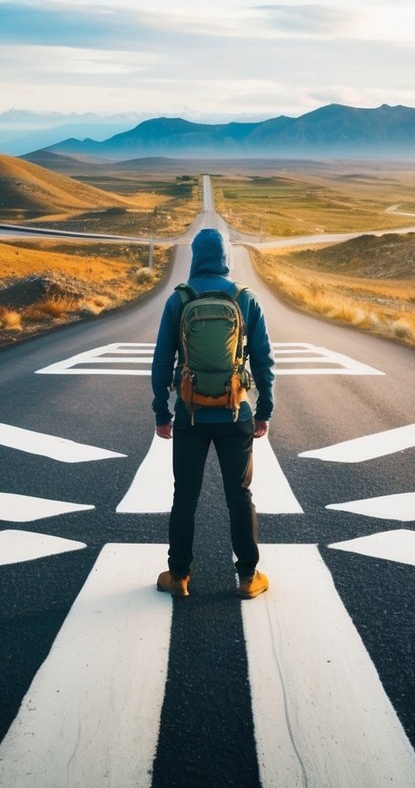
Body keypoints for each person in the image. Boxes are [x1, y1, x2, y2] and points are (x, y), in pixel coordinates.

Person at [151, 226, 275, 599]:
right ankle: (248, 577)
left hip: (190, 414)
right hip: (235, 413)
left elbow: (161, 361)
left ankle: (179, 576)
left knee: (184, 496)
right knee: (239, 494)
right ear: (225, 257)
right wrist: (264, 409)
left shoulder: (179, 299)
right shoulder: (245, 299)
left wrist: (162, 413)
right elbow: (264, 359)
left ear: (195, 257)